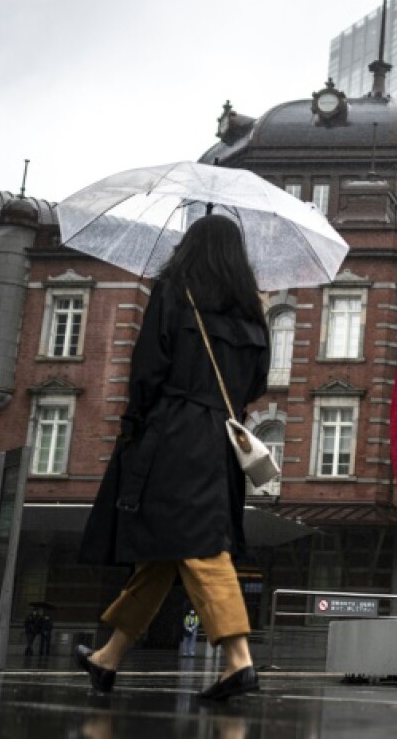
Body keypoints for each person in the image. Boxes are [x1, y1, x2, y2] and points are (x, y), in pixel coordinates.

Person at [75, 214, 270, 701]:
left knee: (200, 546)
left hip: (174, 432)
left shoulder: (174, 291)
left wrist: (135, 425)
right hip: (222, 437)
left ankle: (239, 659)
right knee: (164, 550)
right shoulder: (252, 312)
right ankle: (108, 657)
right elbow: (257, 386)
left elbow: (147, 369)